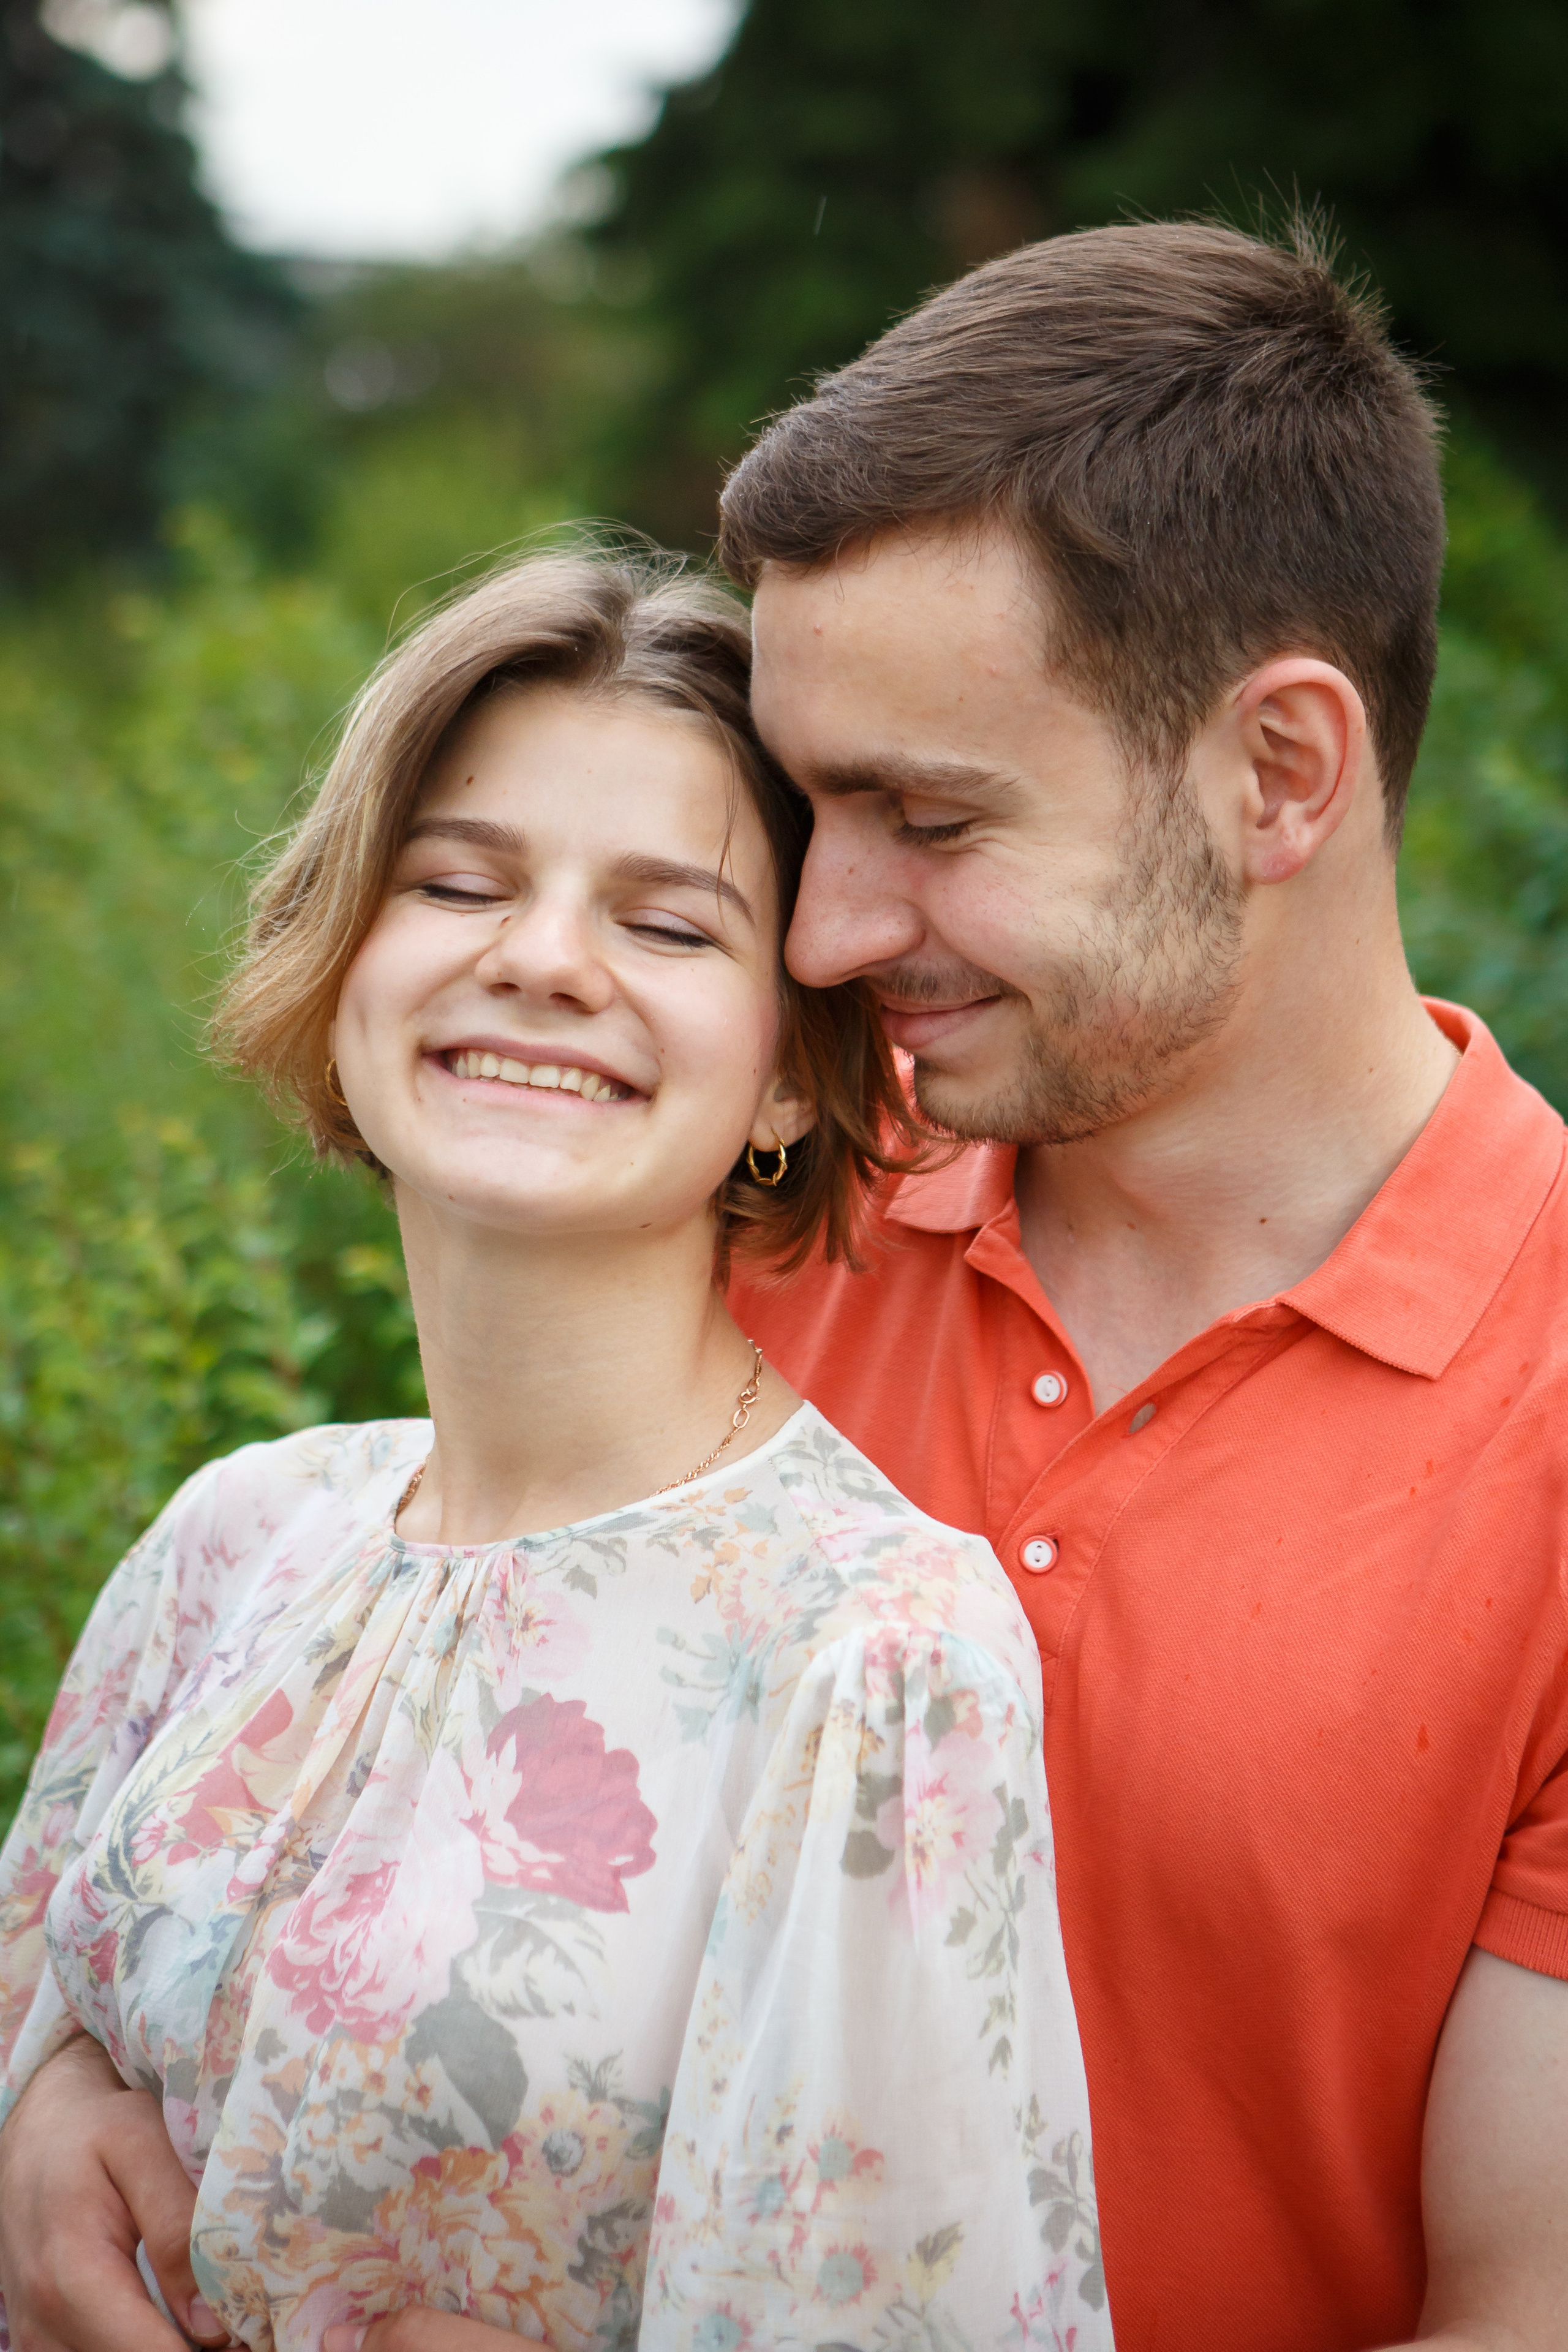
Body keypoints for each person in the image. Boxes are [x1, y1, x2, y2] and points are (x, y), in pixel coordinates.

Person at [0, 551, 1111, 2352]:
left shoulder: (876, 1656)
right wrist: (38, 2125)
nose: (539, 959)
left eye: (668, 925)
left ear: (784, 1076)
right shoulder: (237, 1540)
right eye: (456, 882)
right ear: (344, 946)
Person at [714, 219, 1568, 2352]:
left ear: (1280, 771)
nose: (823, 936)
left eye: (925, 815)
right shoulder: (748, 1198)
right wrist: (64, 2055)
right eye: (807, 806)